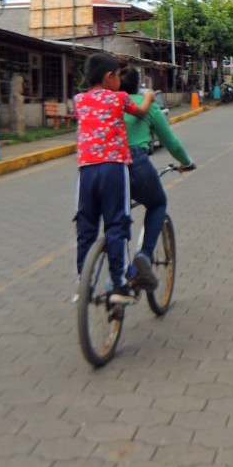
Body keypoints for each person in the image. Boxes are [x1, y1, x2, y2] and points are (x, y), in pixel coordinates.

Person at [73, 53, 156, 305]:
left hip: (86, 170)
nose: (120, 80)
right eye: (118, 75)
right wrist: (149, 97)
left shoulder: (79, 100)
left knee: (85, 227)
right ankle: (119, 282)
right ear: (109, 77)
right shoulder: (119, 98)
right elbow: (140, 113)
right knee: (116, 225)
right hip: (114, 168)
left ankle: (83, 283)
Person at [119, 67, 196, 270]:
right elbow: (171, 143)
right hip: (136, 165)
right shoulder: (148, 106)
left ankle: (115, 274)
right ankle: (144, 255)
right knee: (157, 203)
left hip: (108, 168)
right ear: (138, 85)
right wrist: (187, 162)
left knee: (116, 217)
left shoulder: (110, 104)